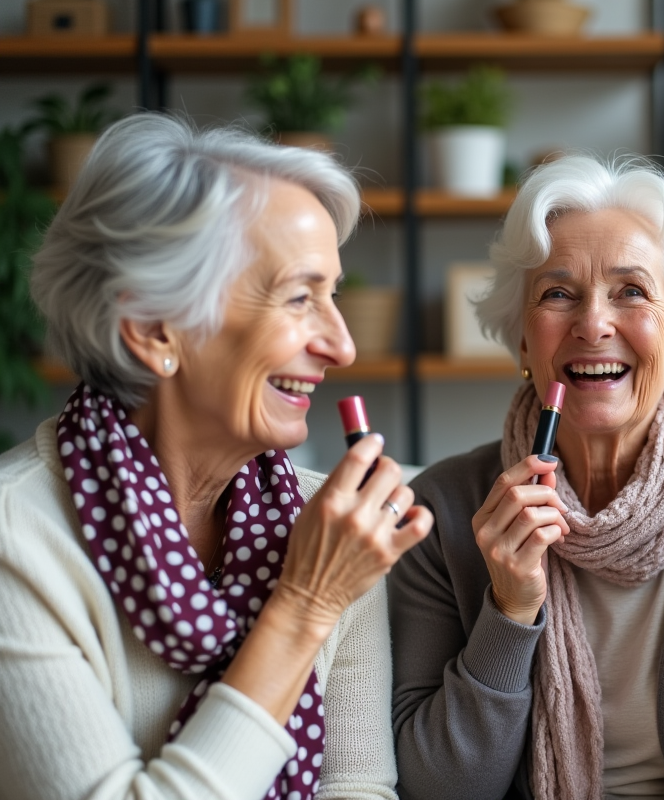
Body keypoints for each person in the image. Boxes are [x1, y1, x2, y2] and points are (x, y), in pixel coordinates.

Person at [0, 114, 433, 799]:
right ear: (153, 329)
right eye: (299, 297)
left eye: (334, 295)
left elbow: (358, 788)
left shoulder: (331, 523)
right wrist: (304, 605)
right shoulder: (16, 542)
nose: (342, 346)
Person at [389, 155, 664, 799]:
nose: (593, 324)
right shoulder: (437, 511)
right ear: (524, 345)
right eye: (558, 294)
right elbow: (436, 788)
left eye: (632, 291)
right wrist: (509, 610)